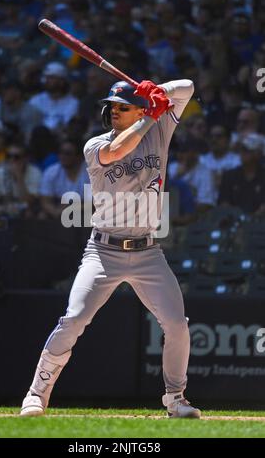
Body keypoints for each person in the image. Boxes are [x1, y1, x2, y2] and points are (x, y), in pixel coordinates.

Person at [20, 78, 201, 419]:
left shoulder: (158, 130)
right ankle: (36, 394)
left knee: (177, 325)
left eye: (122, 107)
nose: (114, 112)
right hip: (103, 251)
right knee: (73, 318)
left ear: (138, 110)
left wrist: (152, 90)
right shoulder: (95, 145)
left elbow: (188, 87)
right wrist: (149, 111)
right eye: (112, 107)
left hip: (149, 252)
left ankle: (175, 399)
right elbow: (119, 151)